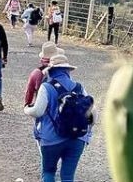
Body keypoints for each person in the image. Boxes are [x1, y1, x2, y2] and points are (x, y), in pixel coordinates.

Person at [23, 52, 93, 182]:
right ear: (67, 71)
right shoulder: (79, 87)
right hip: (77, 138)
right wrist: (87, 136)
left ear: (51, 70)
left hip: (52, 139)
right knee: (67, 177)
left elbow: (38, 111)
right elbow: (93, 114)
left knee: (49, 173)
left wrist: (27, 109)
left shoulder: (47, 87)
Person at [25, 42, 59, 107]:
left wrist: (27, 103)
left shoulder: (37, 72)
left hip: (41, 105)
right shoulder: (62, 69)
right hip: (58, 105)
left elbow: (29, 90)